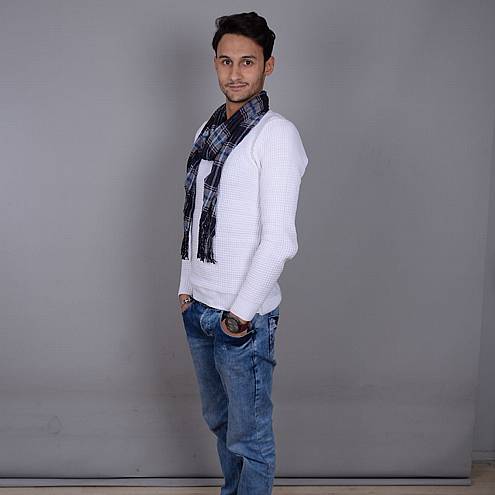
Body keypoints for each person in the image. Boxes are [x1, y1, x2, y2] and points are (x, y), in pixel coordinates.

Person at [178, 11, 308, 495]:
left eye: (247, 62)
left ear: (268, 66)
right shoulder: (207, 130)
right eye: (225, 61)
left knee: (249, 440)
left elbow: (280, 240)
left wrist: (239, 316)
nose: (235, 73)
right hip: (200, 308)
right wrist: (186, 287)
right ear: (215, 63)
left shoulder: (277, 135)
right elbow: (194, 215)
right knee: (221, 424)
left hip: (242, 318)